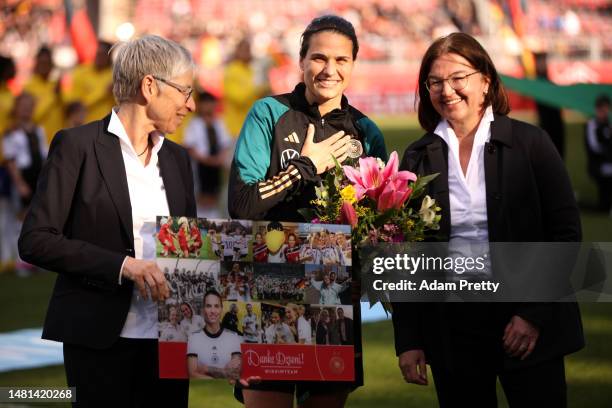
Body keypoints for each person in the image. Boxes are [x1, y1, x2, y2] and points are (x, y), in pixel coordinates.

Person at [392, 32, 584, 407]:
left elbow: (565, 233)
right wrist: (410, 339)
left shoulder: (532, 143)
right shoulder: (415, 158)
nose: (446, 90)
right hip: (452, 328)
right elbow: (405, 256)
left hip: (528, 321)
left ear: (486, 81)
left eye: (457, 77)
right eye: (434, 82)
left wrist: (532, 313)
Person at [18, 35, 197, 407]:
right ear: (150, 86)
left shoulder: (178, 158)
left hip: (168, 343)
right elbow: (36, 239)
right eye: (185, 91)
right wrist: (123, 266)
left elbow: (188, 247)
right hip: (97, 338)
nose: (191, 104)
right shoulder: (76, 146)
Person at [228, 14, 387, 408]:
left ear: (353, 64)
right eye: (318, 58)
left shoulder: (367, 132)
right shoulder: (268, 114)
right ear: (301, 62)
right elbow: (243, 205)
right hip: (270, 286)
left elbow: (381, 226)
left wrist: (365, 271)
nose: (329, 69)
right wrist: (305, 166)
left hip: (335, 293)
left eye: (341, 60)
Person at [183, 90, 233, 218]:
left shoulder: (219, 122)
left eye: (211, 103)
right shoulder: (194, 123)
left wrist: (219, 159)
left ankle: (213, 218)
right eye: (205, 103)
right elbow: (190, 146)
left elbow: (226, 144)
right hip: (200, 165)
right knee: (199, 194)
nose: (208, 106)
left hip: (216, 166)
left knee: (215, 194)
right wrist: (206, 160)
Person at [187, 290, 242, 379]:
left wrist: (206, 369)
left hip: (226, 392)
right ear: (203, 310)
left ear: (221, 309)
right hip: (201, 392)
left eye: (216, 306)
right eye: (208, 306)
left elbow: (235, 374)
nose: (213, 311)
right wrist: (224, 372)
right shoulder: (194, 337)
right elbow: (192, 374)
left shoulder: (233, 337)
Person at [223, 38, 270, 138]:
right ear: (237, 51)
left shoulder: (253, 69)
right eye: (244, 49)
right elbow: (238, 98)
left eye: (248, 49)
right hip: (236, 128)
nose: (247, 53)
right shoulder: (232, 70)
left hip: (253, 125)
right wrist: (260, 89)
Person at [65, 40, 115, 123]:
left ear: (109, 57)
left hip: (107, 125)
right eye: (98, 53)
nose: (100, 57)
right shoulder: (81, 72)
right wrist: (104, 93)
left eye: (103, 55)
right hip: (84, 124)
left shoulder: (115, 76)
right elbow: (77, 105)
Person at [24, 46, 64, 145]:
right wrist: (53, 96)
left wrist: (60, 96)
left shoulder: (56, 85)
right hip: (39, 142)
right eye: (42, 63)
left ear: (52, 64)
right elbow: (33, 116)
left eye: (47, 63)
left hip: (58, 141)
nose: (44, 66)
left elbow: (66, 111)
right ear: (36, 64)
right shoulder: (29, 87)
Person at [585, 94, 612, 213]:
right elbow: (593, 147)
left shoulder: (609, 124)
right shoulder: (592, 125)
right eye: (601, 108)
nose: (603, 111)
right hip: (598, 164)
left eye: (606, 108)